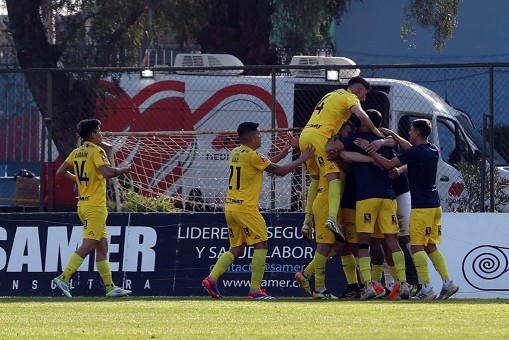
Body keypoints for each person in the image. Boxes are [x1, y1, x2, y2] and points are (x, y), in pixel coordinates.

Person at [202, 122, 314, 300]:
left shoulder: (237, 152)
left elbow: (263, 166)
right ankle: (255, 290)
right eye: (260, 135)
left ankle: (212, 279)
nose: (261, 137)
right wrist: (303, 158)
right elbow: (280, 172)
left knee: (237, 247)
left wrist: (283, 154)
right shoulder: (253, 156)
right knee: (261, 244)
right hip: (246, 209)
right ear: (253, 138)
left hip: (231, 207)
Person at [366, 119, 460, 300]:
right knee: (430, 245)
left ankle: (426, 287)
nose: (409, 132)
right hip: (434, 207)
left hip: (422, 208)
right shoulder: (431, 150)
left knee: (417, 247)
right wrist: (394, 135)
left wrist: (371, 153)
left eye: (411, 130)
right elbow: (409, 147)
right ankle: (448, 283)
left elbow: (387, 164)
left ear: (416, 132)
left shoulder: (416, 152)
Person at [327, 109, 411, 300]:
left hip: (366, 197)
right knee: (392, 241)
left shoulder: (356, 138)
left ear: (365, 123)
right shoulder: (384, 139)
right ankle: (403, 283)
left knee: (363, 242)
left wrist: (332, 138)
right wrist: (378, 154)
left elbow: (337, 151)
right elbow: (396, 160)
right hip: (388, 197)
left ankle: (367, 286)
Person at [53, 118, 132, 298]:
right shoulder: (97, 151)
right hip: (95, 206)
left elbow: (60, 173)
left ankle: (110, 287)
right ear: (94, 134)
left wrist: (79, 181)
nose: (102, 135)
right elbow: (107, 173)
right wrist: (123, 170)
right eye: (100, 132)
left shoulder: (77, 152)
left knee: (102, 246)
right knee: (89, 245)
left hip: (83, 205)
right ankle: (64, 277)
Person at [299, 76, 383, 243]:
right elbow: (361, 115)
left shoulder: (331, 94)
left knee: (315, 179)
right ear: (358, 90)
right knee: (334, 177)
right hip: (321, 137)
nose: (364, 99)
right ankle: (331, 218)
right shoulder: (350, 97)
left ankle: (307, 221)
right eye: (364, 95)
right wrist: (376, 132)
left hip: (305, 135)